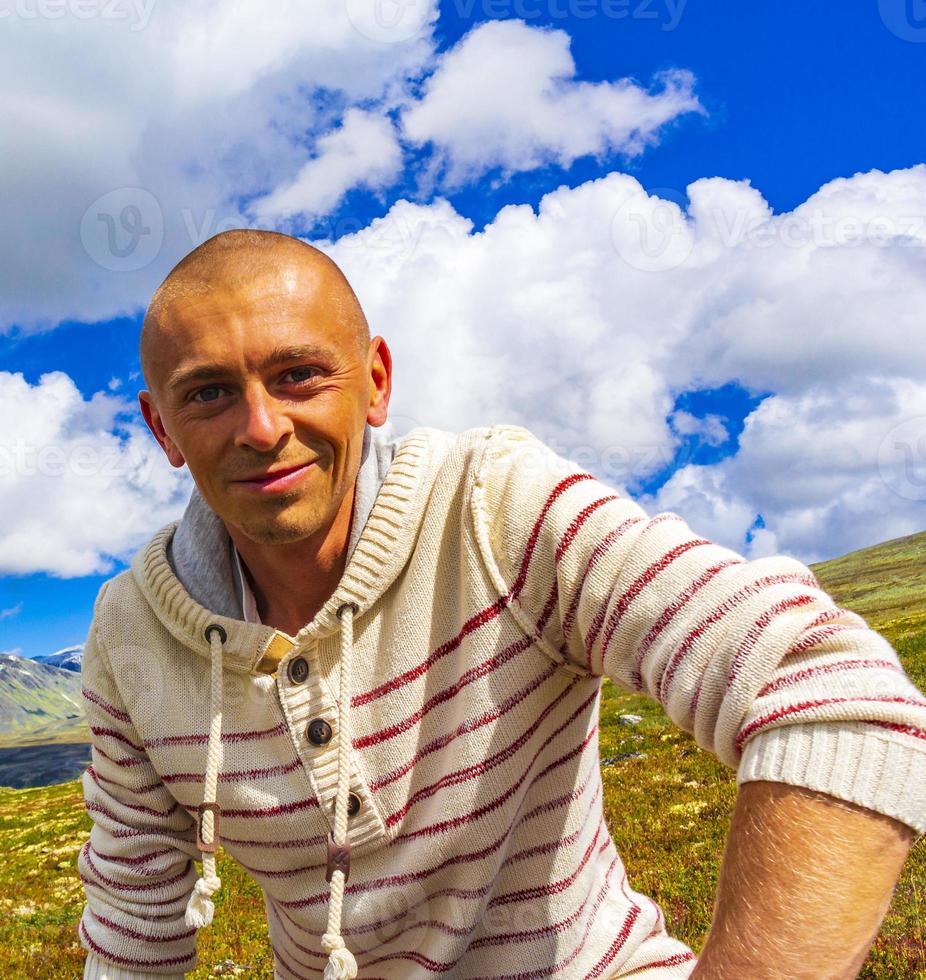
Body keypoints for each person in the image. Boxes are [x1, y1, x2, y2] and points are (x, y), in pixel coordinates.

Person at [75, 229, 925, 979]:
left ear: (374, 382)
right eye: (209, 393)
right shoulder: (129, 631)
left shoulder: (497, 507)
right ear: (162, 431)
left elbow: (840, 695)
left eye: (298, 374)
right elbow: (132, 933)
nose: (261, 427)